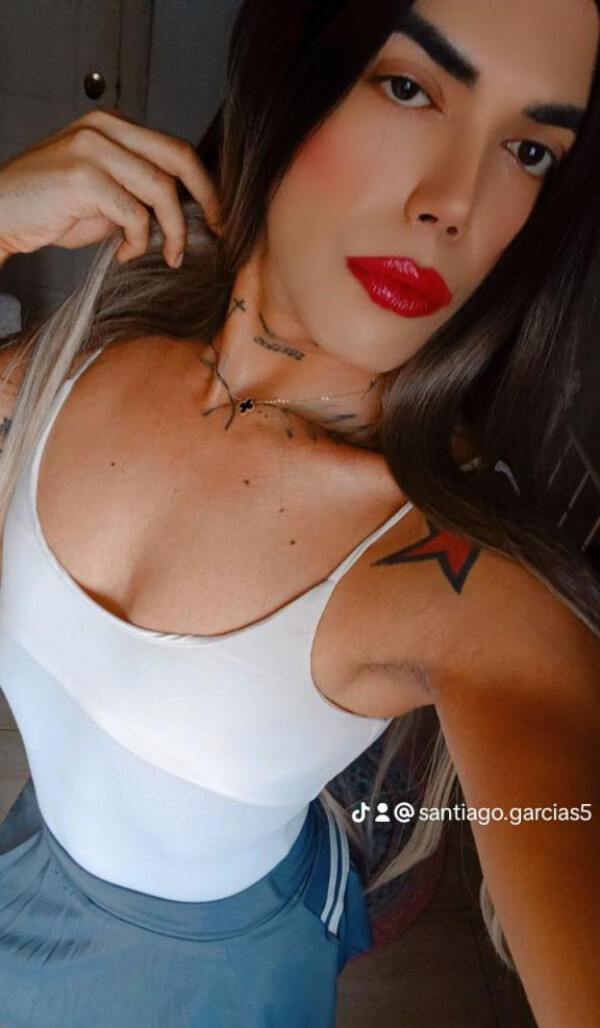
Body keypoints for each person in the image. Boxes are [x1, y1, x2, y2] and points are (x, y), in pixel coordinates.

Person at [0, 0, 599, 1025]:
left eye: (529, 150)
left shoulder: (471, 585)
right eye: (408, 88)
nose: (454, 202)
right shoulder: (81, 357)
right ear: (289, 74)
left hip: (227, 977)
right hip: (31, 866)